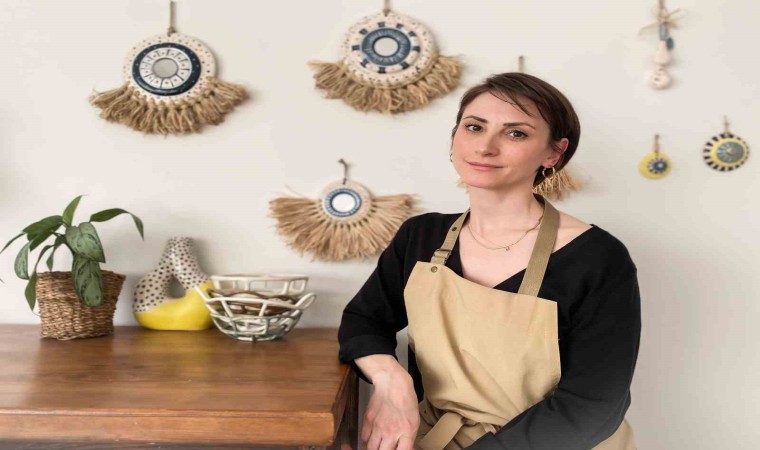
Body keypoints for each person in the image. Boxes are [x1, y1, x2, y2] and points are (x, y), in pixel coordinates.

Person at [338, 73, 641, 450]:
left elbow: (592, 406)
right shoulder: (422, 236)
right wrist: (391, 382)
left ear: (553, 153)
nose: (485, 147)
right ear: (455, 137)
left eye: (515, 133)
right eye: (474, 127)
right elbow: (363, 320)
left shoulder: (598, 258)